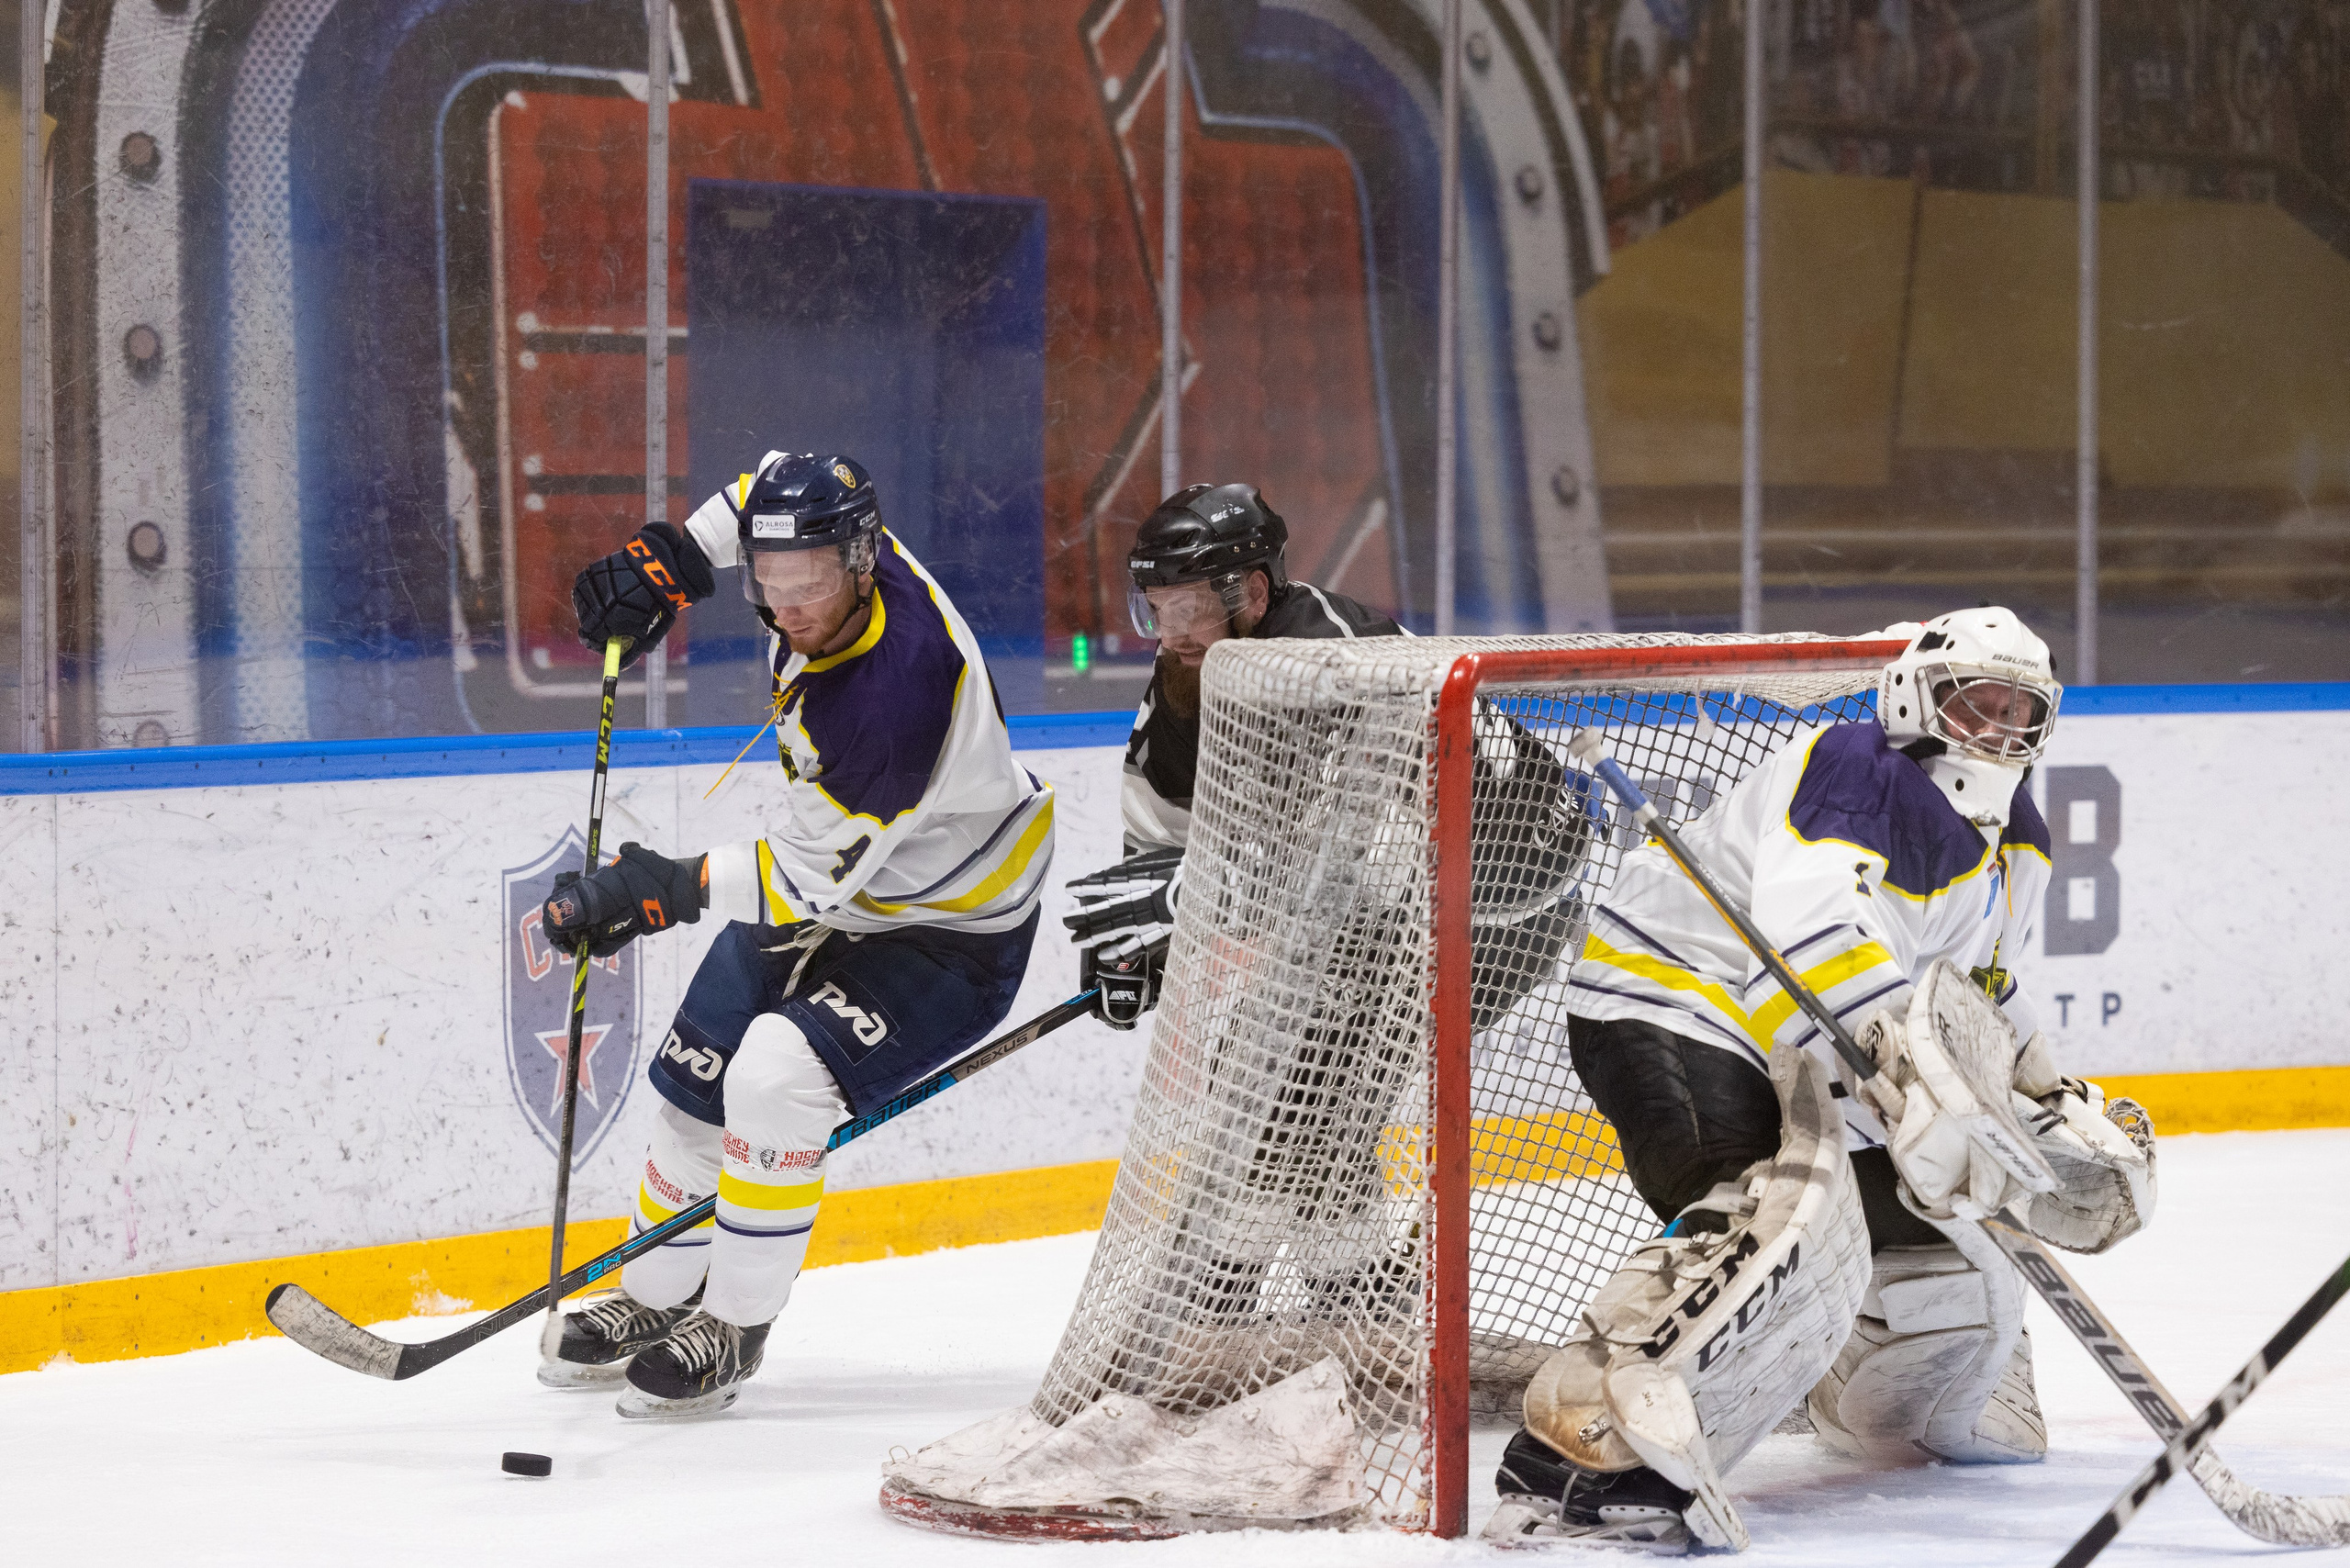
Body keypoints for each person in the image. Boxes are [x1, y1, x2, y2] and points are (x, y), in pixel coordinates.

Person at [1486, 608, 2158, 1548]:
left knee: (1950, 1238)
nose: (1998, 730)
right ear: (1918, 698)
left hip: (1809, 1033)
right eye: (1975, 705)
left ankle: (1900, 1401)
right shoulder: (1857, 766)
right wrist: (1903, 1080)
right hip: (1673, 996)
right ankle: (1585, 1444)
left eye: (2019, 710)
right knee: (1770, 1206)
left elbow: (1976, 999)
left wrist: (2042, 1101)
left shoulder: (2019, 838)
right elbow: (1803, 955)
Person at [537, 452, 1055, 1418]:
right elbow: (764, 483)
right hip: (844, 875)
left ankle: (732, 1326)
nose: (786, 611)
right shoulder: (831, 536)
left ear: (863, 561)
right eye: (764, 589)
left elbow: (801, 885)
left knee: (771, 1077)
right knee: (695, 1088)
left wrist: (659, 891)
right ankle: (654, 1299)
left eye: (806, 587)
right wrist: (671, 559)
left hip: (946, 928)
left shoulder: (896, 698)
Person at [1061, 483, 1402, 1025]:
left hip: (1501, 899)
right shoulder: (1188, 667)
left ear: (1255, 594)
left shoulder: (1332, 661)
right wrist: (1141, 950)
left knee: (1284, 1078)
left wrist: (1203, 894)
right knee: (1259, 1078)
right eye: (1156, 610)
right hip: (1380, 926)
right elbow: (1161, 833)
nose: (1171, 635)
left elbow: (1366, 857)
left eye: (1189, 608)